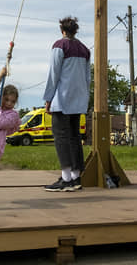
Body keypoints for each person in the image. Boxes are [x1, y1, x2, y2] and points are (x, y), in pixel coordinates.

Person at [43, 16, 91, 192]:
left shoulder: (59, 46)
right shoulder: (85, 50)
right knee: (74, 137)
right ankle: (76, 177)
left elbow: (53, 74)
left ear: (62, 30)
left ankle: (66, 178)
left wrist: (48, 98)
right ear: (75, 30)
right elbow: (87, 78)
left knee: (61, 137)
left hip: (62, 100)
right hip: (78, 101)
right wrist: (84, 99)